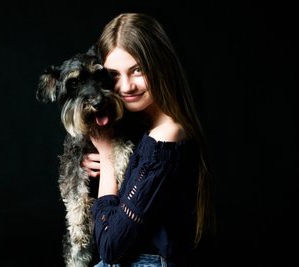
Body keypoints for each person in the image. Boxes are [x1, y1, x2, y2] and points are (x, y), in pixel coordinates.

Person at [81, 13, 215, 267]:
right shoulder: (142, 125)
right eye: (114, 75)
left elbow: (110, 246)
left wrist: (108, 157)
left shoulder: (166, 137)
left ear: (160, 65)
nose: (127, 86)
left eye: (138, 70)